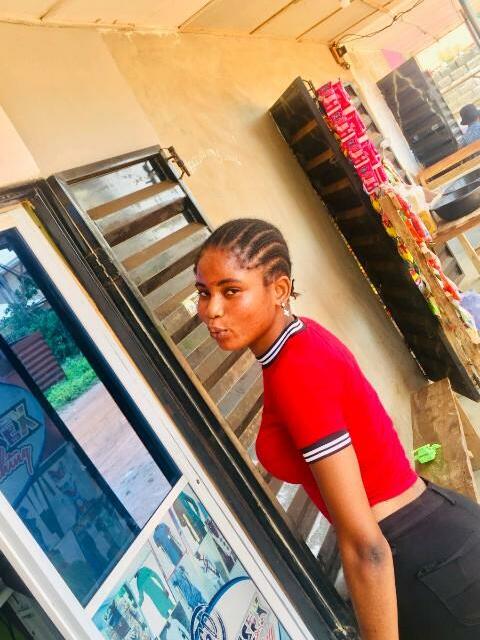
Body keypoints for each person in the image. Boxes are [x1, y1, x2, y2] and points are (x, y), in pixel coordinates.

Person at [194, 218, 480, 640]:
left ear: (279, 289)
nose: (211, 310)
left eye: (230, 290)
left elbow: (366, 545)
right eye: (204, 292)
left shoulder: (296, 366)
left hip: (428, 564)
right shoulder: (297, 344)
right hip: (438, 536)